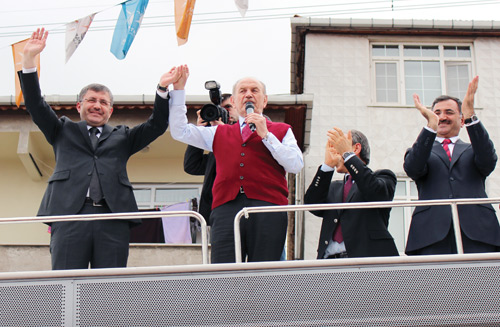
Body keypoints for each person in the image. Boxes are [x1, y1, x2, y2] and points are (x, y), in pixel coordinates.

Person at [20, 28, 181, 269]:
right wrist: (29, 60)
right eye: (92, 100)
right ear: (79, 106)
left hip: (112, 217)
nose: (97, 106)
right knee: (66, 279)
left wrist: (161, 89)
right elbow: (35, 104)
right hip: (69, 215)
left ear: (110, 110)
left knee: (108, 286)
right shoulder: (62, 130)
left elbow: (157, 125)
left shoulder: (123, 137)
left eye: (104, 102)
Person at [169, 68, 304, 263]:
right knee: (224, 274)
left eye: (254, 90)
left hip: (268, 209)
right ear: (233, 101)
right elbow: (179, 131)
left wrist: (266, 135)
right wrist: (179, 89)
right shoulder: (219, 133)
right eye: (242, 91)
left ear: (264, 101)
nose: (248, 94)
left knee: (266, 275)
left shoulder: (281, 131)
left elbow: (295, 164)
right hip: (226, 210)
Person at [404, 76, 500, 255]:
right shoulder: (421, 149)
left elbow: (488, 162)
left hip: (478, 233)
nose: (442, 117)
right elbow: (413, 169)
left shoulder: (474, 149)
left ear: (462, 120)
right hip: (430, 234)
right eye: (437, 113)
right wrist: (430, 127)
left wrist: (471, 114)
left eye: (449, 112)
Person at [304, 128, 399, 259]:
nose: (336, 154)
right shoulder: (334, 187)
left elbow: (374, 190)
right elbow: (312, 204)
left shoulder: (383, 177)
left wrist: (348, 156)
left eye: (339, 148)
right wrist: (327, 167)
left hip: (367, 260)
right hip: (329, 262)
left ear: (356, 149)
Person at [183, 93, 238, 225]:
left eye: (228, 107)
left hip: (243, 209)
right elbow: (192, 165)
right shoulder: (215, 152)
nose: (224, 112)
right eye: (220, 109)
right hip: (218, 213)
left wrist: (224, 131)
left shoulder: (248, 131)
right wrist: (199, 132)